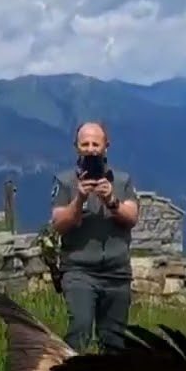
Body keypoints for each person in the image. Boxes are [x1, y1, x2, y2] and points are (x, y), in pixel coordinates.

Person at [49, 121, 140, 353]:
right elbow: (59, 223)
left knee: (114, 339)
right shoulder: (64, 181)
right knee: (80, 327)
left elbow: (132, 216)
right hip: (79, 270)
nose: (90, 149)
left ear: (105, 147)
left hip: (117, 273)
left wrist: (111, 201)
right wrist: (79, 199)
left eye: (95, 144)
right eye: (85, 144)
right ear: (77, 148)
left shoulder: (122, 181)